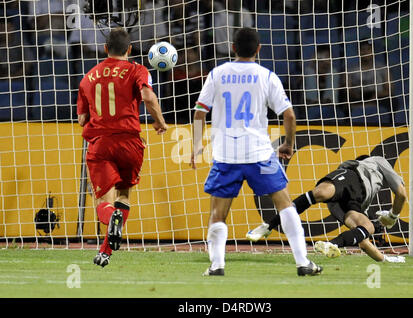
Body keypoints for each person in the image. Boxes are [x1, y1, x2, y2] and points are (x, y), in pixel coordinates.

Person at [190, 27, 323, 277]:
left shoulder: (217, 74)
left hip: (226, 155)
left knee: (218, 213)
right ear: (259, 49)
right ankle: (303, 262)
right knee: (284, 204)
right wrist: (288, 145)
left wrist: (197, 145)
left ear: (233, 49)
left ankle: (217, 265)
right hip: (259, 154)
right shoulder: (266, 76)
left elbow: (199, 112)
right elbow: (289, 115)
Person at [77, 28, 168, 267]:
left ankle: (110, 226)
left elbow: (82, 119)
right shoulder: (138, 69)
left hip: (101, 144)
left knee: (103, 204)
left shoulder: (88, 77)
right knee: (124, 196)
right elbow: (148, 97)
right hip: (130, 143)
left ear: (106, 49)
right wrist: (159, 121)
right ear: (129, 49)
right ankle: (105, 252)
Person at [247, 155, 407, 263]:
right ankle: (269, 226)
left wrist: (385, 259)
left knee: (367, 228)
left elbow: (364, 244)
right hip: (351, 179)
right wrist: (392, 217)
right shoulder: (376, 161)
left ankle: (332, 244)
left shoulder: (363, 204)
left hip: (353, 202)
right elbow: (401, 193)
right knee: (319, 193)